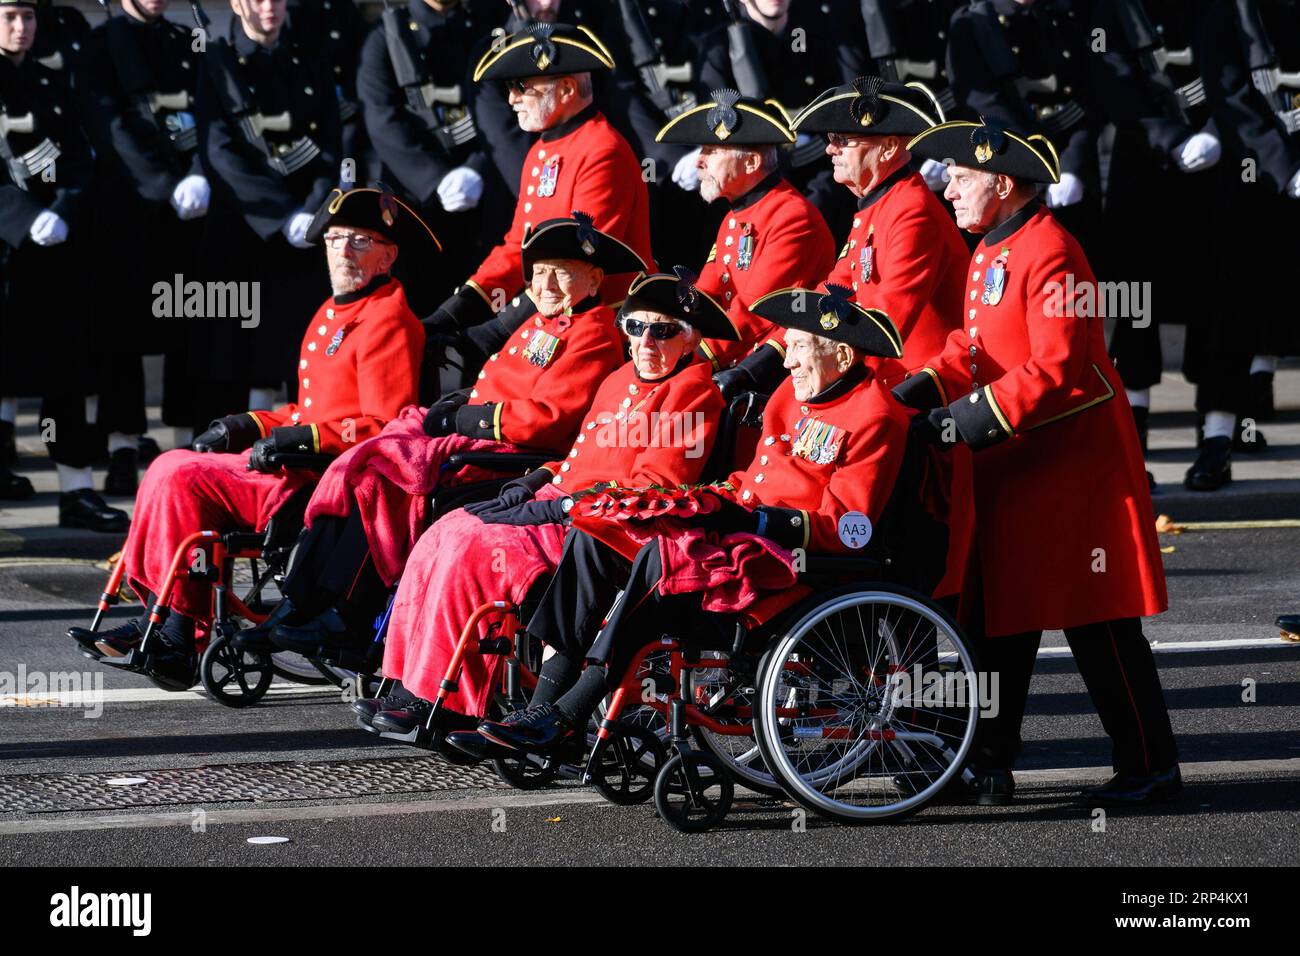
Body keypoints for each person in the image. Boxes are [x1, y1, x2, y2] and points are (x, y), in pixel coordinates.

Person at [457, 288, 914, 760]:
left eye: (799, 347)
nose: (788, 361)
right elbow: (756, 477)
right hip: (745, 530)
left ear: (840, 353)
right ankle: (538, 710)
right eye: (790, 346)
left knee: (662, 558)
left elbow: (847, 527)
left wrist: (756, 518)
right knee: (597, 536)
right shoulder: (794, 394)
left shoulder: (876, 415)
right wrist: (711, 497)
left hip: (787, 556)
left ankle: (568, 715)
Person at [894, 117, 1179, 806]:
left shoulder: (1050, 250)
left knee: (1099, 624)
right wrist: (915, 390)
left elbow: (1058, 369)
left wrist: (960, 420)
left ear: (1002, 181)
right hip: (1017, 466)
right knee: (997, 619)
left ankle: (1150, 766)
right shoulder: (995, 248)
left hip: (1070, 471)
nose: (949, 189)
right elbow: (973, 346)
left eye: (961, 179)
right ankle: (987, 760)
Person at [68, 187, 432, 688]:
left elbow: (382, 424)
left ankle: (177, 630)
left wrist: (300, 437)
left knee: (181, 475)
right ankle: (161, 616)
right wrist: (249, 423)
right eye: (335, 239)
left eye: (360, 242)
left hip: (319, 479)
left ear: (387, 255)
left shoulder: (388, 318)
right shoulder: (334, 311)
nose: (343, 251)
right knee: (169, 466)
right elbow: (310, 409)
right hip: (293, 462)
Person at [356, 270, 734, 747]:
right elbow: (582, 457)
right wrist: (536, 481)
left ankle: (446, 704)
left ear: (690, 338)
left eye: (662, 331)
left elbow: (653, 485)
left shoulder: (694, 389)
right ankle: (410, 686)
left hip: (606, 523)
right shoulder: (620, 377)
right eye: (636, 327)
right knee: (444, 530)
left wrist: (557, 507)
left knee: (472, 548)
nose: (645, 341)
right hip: (563, 504)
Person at [238, 215, 646, 654]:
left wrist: (462, 421)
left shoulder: (595, 333)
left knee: (382, 480)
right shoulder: (540, 323)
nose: (546, 284)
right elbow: (501, 385)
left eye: (561, 272)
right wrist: (459, 403)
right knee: (364, 466)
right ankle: (303, 601)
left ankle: (348, 615)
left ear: (594, 279)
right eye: (539, 272)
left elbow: (548, 418)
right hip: (483, 444)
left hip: (512, 455)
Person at [425, 21, 653, 376]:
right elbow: (519, 246)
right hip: (552, 315)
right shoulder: (542, 151)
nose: (511, 98)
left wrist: (494, 331)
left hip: (602, 330)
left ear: (565, 89)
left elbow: (576, 263)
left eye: (521, 86)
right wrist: (455, 310)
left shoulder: (602, 150)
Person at [0, 0, 125, 529]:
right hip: (6, 247)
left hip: (51, 250)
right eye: (8, 17)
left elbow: (79, 157)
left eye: (27, 17)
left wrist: (61, 209)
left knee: (65, 373)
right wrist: (22, 216)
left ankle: (75, 489)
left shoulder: (49, 83)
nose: (20, 27)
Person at [79, 0, 209, 496]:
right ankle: (122, 445)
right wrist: (162, 184)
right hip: (126, 209)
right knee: (121, 335)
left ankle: (184, 440)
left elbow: (207, 110)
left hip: (186, 210)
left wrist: (197, 174)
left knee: (187, 328)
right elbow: (107, 125)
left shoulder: (185, 40)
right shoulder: (100, 44)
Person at [192, 0, 341, 424]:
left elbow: (329, 146)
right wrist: (279, 215)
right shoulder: (217, 62)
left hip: (304, 229)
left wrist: (310, 211)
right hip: (243, 226)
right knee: (233, 357)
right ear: (238, 4)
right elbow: (219, 150)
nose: (268, 7)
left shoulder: (308, 61)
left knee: (301, 352)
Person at [654, 90, 834, 396]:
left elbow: (755, 313)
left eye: (712, 150)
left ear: (751, 162)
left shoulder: (792, 217)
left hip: (768, 375)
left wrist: (690, 357)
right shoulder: (735, 215)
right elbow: (708, 291)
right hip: (733, 358)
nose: (700, 160)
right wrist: (669, 330)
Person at [792, 75, 964, 371]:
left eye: (842, 140)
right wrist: (792, 338)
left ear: (888, 147)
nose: (830, 149)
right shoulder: (878, 204)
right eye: (831, 139)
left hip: (920, 386)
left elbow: (887, 322)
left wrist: (826, 362)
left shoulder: (912, 211)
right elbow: (838, 287)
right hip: (885, 374)